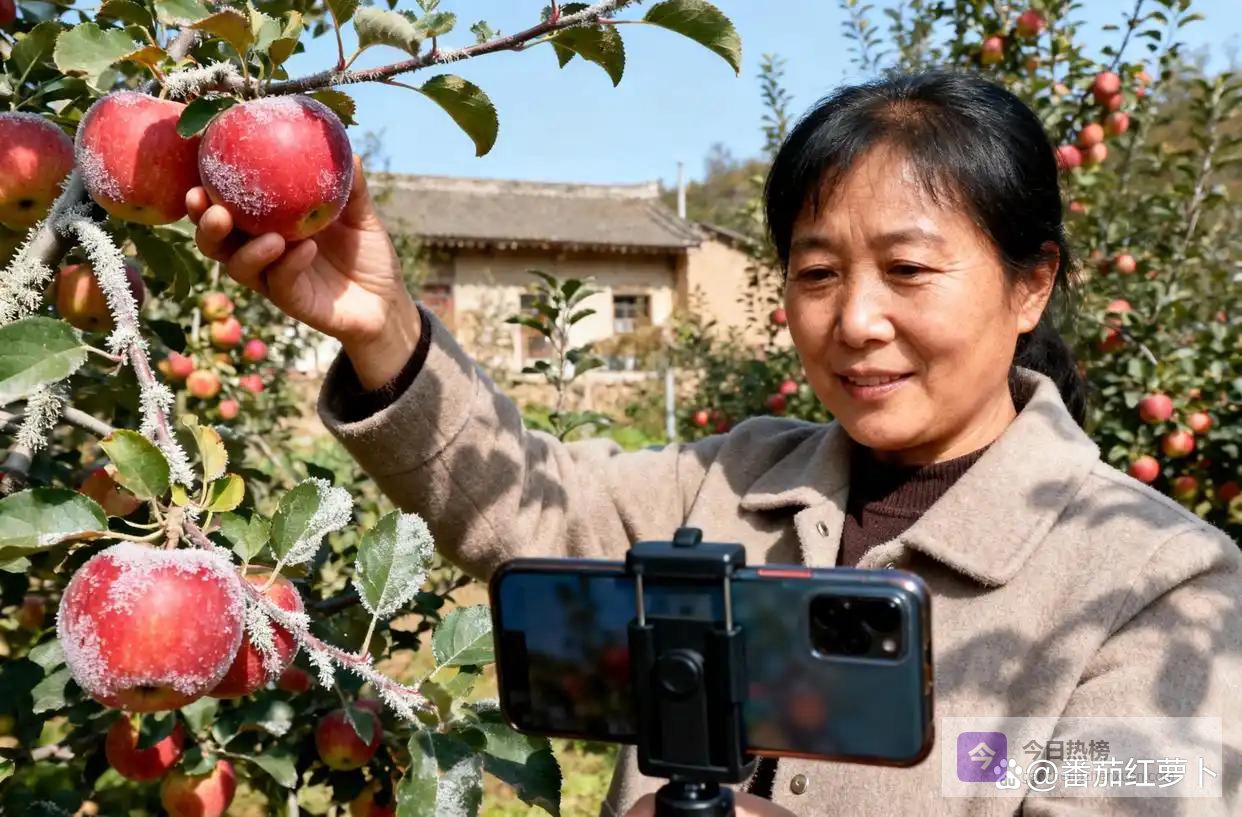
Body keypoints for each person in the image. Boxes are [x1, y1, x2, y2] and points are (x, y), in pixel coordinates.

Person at [187, 68, 1241, 816]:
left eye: (909, 271)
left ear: (1031, 284)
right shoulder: (735, 481)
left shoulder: (1155, 583)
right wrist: (383, 326)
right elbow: (524, 501)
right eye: (817, 273)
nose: (855, 319)